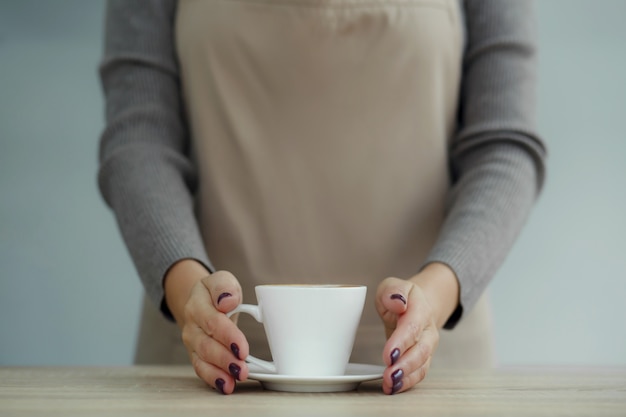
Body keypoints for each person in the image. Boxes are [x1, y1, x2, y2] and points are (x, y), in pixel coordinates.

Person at [98, 0, 546, 395]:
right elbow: (141, 140)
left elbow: (503, 147)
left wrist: (434, 297)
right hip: (207, 365)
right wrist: (188, 294)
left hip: (426, 371)